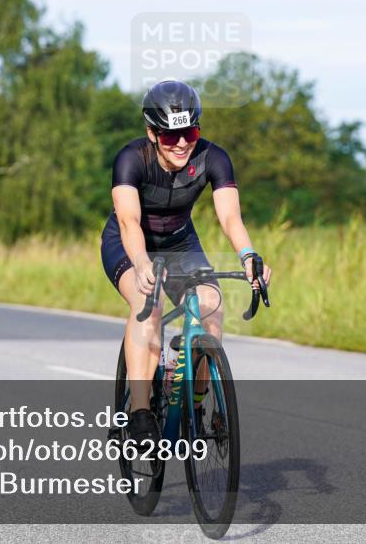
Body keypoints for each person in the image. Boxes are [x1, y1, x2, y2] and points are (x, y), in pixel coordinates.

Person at [100, 79, 272, 445]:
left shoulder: (213, 157)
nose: (181, 143)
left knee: (211, 306)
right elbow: (129, 221)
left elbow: (230, 219)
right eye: (168, 136)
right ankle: (141, 413)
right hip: (129, 243)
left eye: (190, 131)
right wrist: (143, 263)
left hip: (180, 242)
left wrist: (248, 256)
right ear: (151, 133)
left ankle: (194, 400)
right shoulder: (131, 159)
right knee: (150, 304)